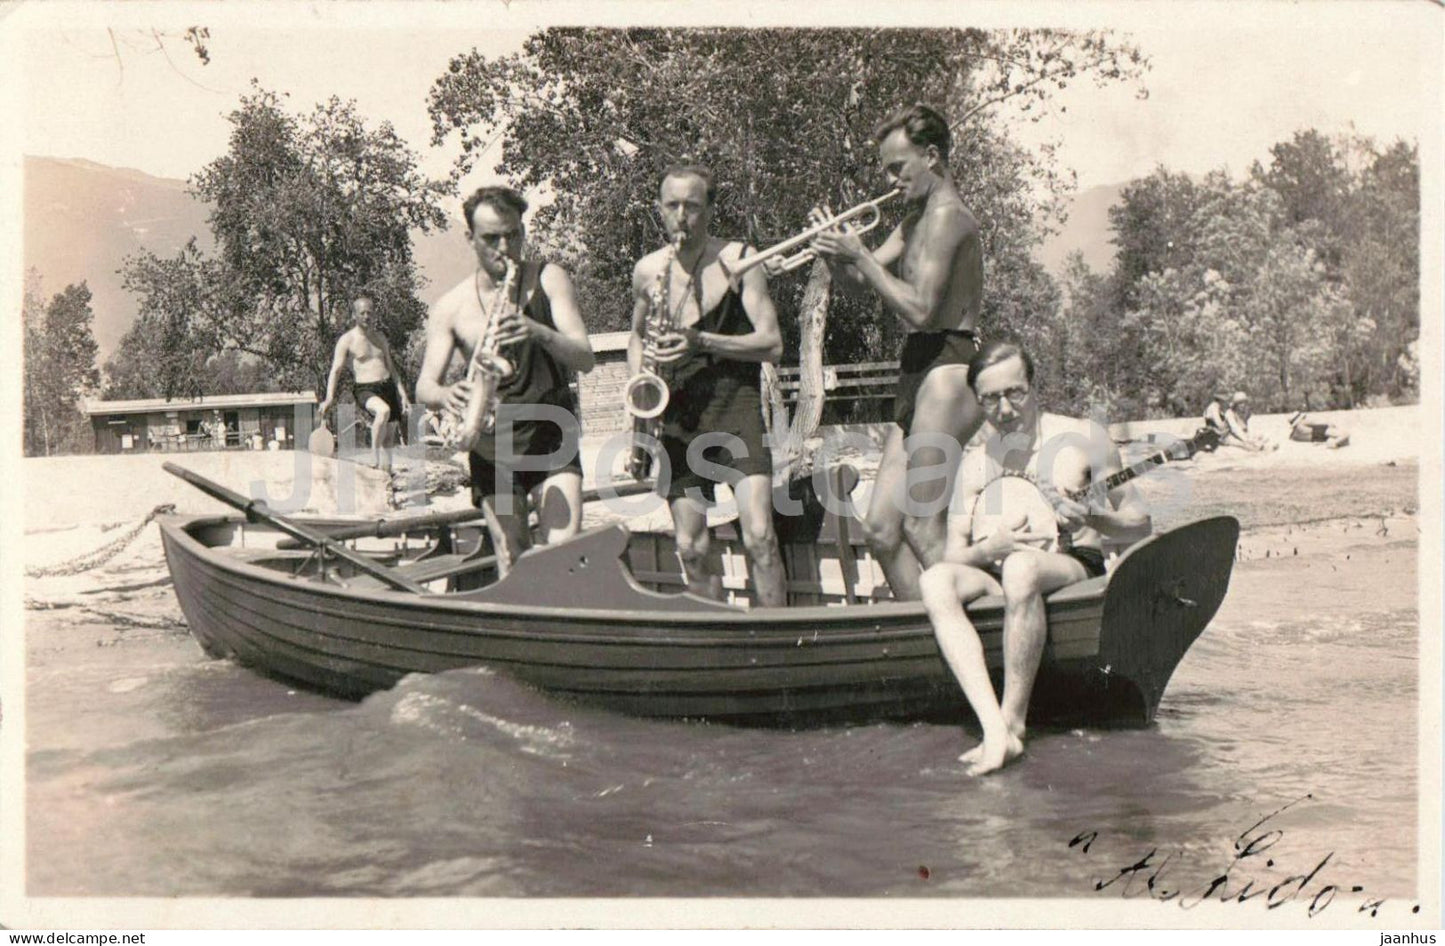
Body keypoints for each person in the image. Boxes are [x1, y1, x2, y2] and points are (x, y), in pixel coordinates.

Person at [918, 341, 1151, 776]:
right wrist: (988, 549)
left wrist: (1098, 518)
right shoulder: (973, 464)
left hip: (1070, 564)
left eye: (1015, 393)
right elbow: (954, 553)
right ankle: (993, 728)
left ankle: (1014, 722)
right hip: (998, 569)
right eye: (990, 398)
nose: (1004, 408)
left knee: (1023, 568)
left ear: (1033, 386)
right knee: (934, 581)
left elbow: (1140, 522)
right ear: (978, 400)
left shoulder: (1083, 438)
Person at [808, 103, 986, 601]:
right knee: (882, 531)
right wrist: (833, 255)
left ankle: (986, 626)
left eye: (897, 168)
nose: (889, 181)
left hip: (948, 364)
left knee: (923, 525)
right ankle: (935, 634)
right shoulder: (914, 221)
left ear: (931, 156)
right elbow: (862, 287)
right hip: (918, 364)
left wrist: (859, 252)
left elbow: (922, 310)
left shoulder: (949, 218)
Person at [628, 164, 787, 607]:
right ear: (659, 210)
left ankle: (777, 643)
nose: (682, 216)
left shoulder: (739, 260)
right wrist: (638, 398)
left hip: (735, 409)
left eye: (693, 206)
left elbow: (772, 344)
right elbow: (638, 337)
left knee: (760, 537)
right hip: (677, 415)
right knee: (692, 548)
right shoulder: (647, 272)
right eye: (672, 205)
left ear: (710, 209)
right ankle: (720, 640)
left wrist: (701, 341)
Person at [416, 186, 594, 574]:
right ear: (470, 239)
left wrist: (537, 331)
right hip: (492, 446)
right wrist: (447, 394)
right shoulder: (451, 306)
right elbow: (424, 386)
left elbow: (586, 358)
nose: (505, 247)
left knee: (562, 559)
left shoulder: (549, 279)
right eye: (491, 238)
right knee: (512, 561)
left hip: (551, 433)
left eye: (513, 235)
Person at [319, 293, 412, 471]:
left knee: (389, 445)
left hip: (388, 388)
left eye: (370, 313)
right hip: (365, 389)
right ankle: (373, 456)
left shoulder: (380, 338)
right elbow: (336, 370)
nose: (366, 316)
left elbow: (392, 368)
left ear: (374, 315)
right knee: (382, 411)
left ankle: (385, 482)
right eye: (362, 313)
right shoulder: (347, 340)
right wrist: (329, 398)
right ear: (354, 315)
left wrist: (403, 395)